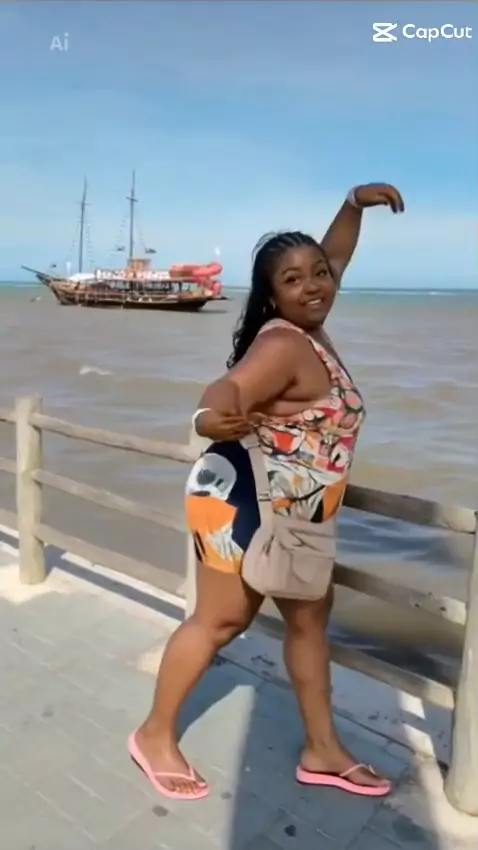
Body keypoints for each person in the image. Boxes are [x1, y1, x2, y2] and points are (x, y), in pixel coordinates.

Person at [128, 183, 405, 801]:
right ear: (272, 295)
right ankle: (153, 735)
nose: (313, 286)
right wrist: (207, 418)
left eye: (320, 274)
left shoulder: (313, 325)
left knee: (310, 625)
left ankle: (323, 749)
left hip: (300, 512)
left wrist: (353, 205)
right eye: (292, 279)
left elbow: (333, 254)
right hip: (241, 500)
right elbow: (227, 389)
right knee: (221, 620)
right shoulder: (283, 343)